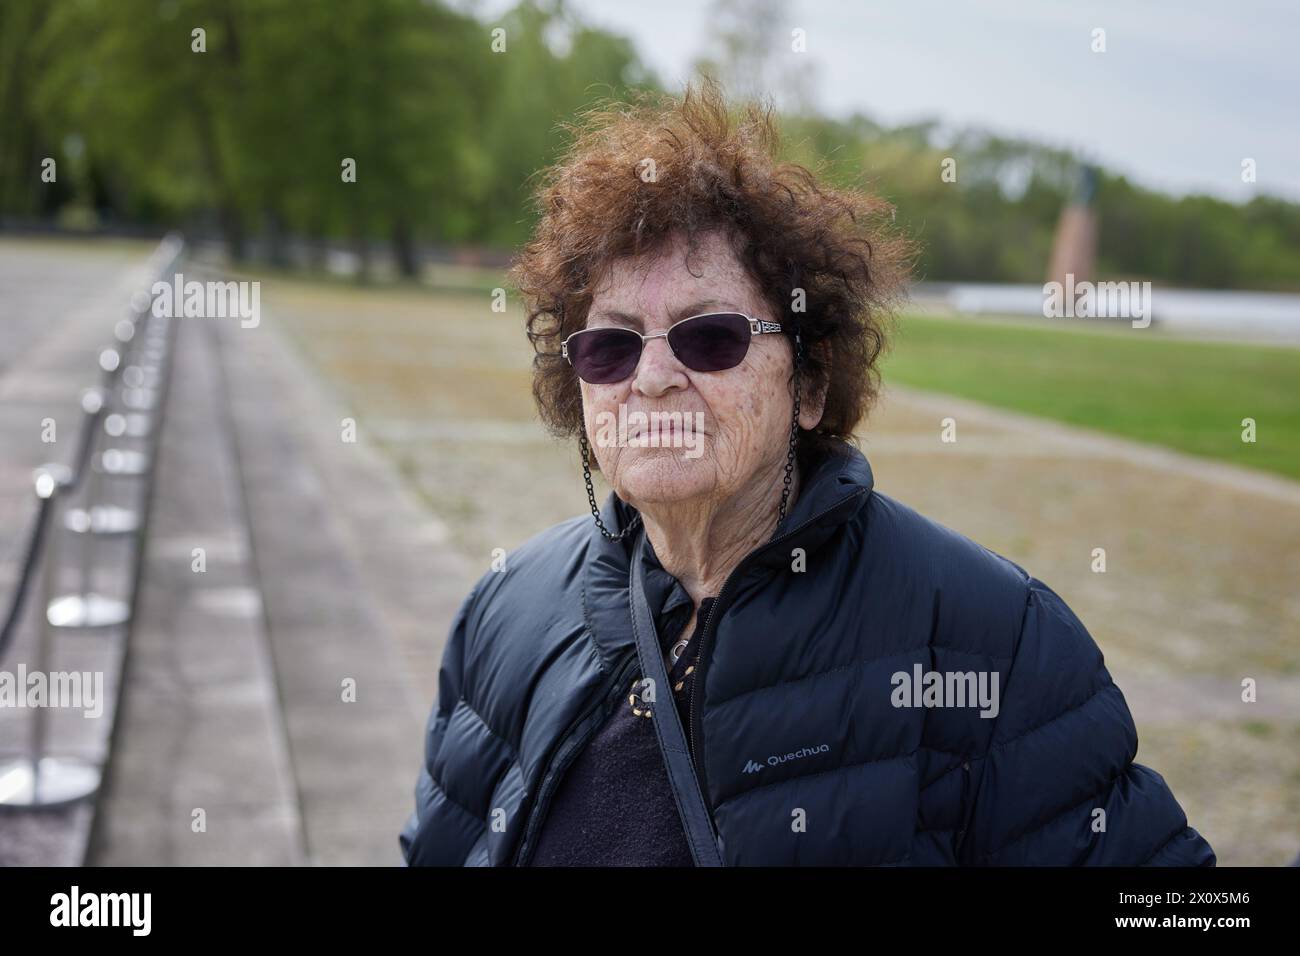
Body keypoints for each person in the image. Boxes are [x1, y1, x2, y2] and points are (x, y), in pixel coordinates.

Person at [399, 78, 1214, 867]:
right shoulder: (504, 611)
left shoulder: (996, 642)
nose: (649, 379)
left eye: (708, 336)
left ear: (812, 382)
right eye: (610, 345)